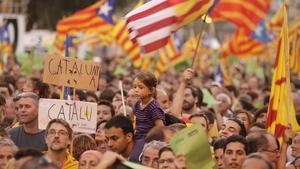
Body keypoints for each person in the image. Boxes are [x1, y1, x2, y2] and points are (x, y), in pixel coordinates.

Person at [133, 71, 165, 139]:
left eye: (140, 87)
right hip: (138, 138)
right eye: (135, 87)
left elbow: (161, 129)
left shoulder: (154, 108)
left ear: (151, 90)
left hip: (148, 141)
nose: (136, 90)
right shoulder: (137, 104)